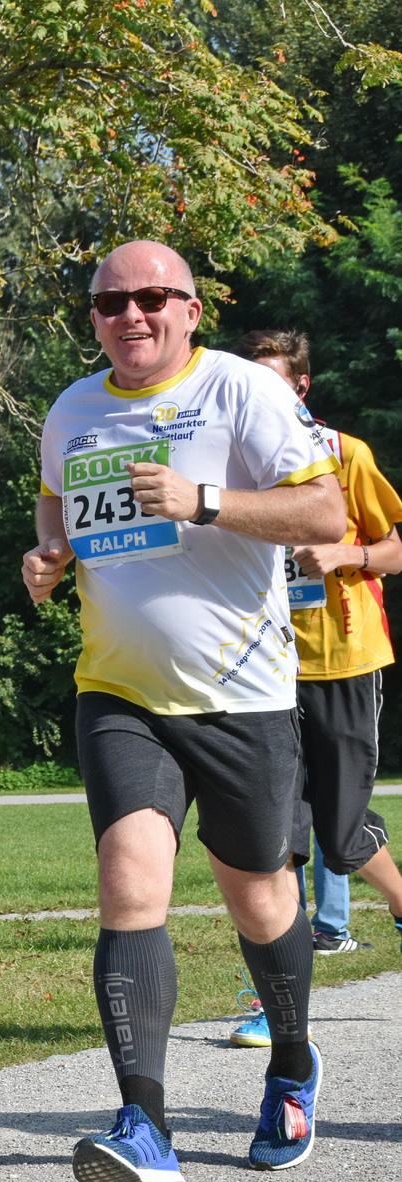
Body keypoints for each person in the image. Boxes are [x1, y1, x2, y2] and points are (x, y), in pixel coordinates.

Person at [22, 241, 346, 1182]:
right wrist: (46, 557)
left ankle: (289, 1065)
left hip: (241, 694)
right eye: (111, 303)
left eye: (152, 297)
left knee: (258, 898)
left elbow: (325, 514)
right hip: (118, 690)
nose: (132, 315)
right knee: (129, 884)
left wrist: (202, 500)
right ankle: (143, 1123)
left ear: (190, 308)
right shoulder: (73, 409)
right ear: (93, 318)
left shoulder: (244, 390)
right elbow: (55, 505)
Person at [227, 329, 402, 1047]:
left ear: (299, 387)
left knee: (339, 832)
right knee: (275, 836)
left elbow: (394, 547)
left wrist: (344, 551)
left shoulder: (345, 454)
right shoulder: (229, 465)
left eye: (274, 384)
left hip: (343, 660)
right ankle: (275, 1002)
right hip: (261, 666)